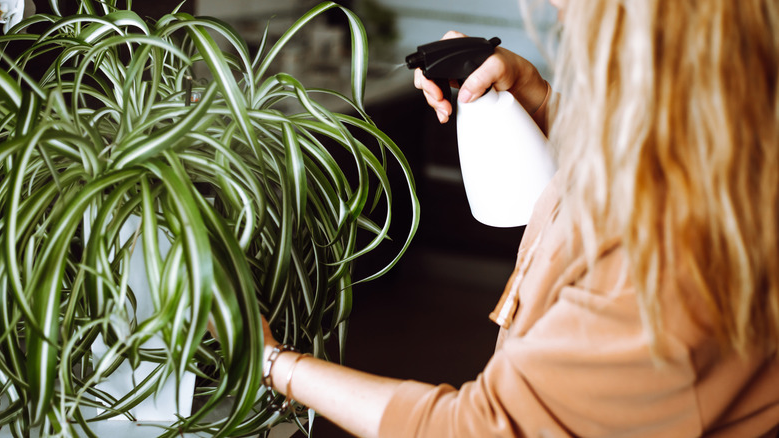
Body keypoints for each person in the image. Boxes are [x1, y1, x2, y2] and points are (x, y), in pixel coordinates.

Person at [258, 0, 779, 436]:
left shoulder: (663, 269)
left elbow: (472, 429)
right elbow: (645, 166)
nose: (557, 4)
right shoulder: (736, 143)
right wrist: (543, 98)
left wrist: (272, 361)